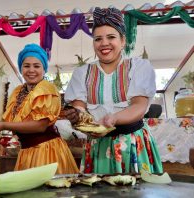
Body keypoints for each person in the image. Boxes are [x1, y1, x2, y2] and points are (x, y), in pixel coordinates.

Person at [64, 7, 163, 174]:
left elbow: (139, 107)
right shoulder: (82, 73)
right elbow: (79, 108)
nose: (104, 43)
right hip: (98, 145)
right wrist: (78, 118)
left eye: (111, 37)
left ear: (123, 40)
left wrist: (114, 118)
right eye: (98, 39)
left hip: (132, 143)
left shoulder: (139, 67)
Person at [0, 43, 79, 174]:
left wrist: (2, 125)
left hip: (47, 151)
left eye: (37, 66)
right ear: (21, 68)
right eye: (26, 66)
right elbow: (15, 123)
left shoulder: (47, 89)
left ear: (44, 70)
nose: (31, 70)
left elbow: (40, 126)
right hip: (26, 152)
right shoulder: (17, 92)